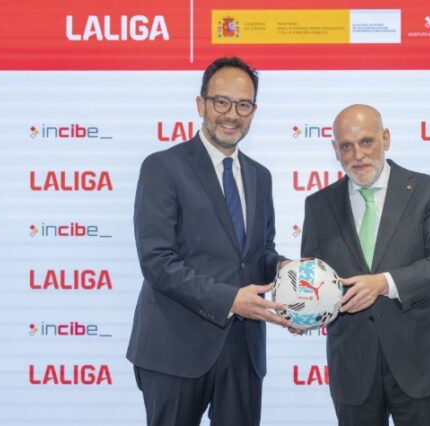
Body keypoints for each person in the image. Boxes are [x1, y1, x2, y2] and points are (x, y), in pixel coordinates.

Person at [127, 57, 290, 426]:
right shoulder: (162, 167)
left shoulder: (260, 176)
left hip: (244, 351)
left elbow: (259, 253)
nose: (232, 114)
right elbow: (156, 261)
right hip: (174, 348)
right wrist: (229, 299)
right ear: (201, 104)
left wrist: (285, 270)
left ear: (253, 111)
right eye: (222, 102)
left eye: (243, 105)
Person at [301, 104, 430, 425]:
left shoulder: (426, 191)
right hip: (353, 370)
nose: (358, 155)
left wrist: (383, 283)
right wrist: (303, 312)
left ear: (385, 138)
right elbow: (314, 281)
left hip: (423, 364)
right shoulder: (318, 205)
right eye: (346, 146)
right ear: (335, 150)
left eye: (366, 142)